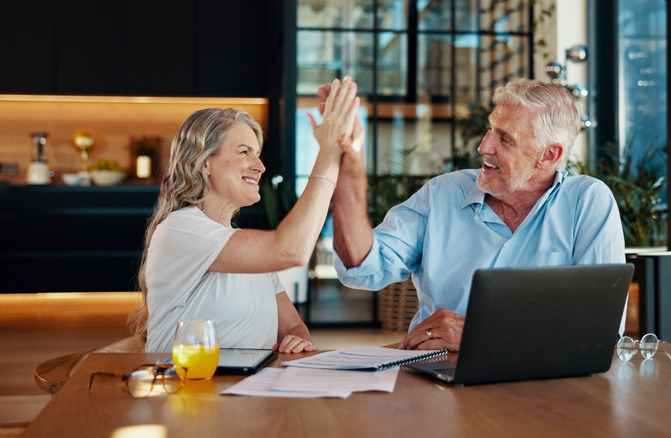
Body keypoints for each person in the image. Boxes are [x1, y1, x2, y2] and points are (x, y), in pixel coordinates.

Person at [327, 77, 626, 352]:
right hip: (437, 373)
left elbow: (601, 327)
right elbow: (362, 267)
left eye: (505, 139)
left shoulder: (586, 201)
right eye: (490, 129)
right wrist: (347, 171)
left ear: (549, 155)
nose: (484, 146)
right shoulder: (443, 194)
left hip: (544, 380)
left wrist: (479, 333)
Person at [129, 77, 362, 354]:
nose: (260, 166)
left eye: (258, 154)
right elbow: (293, 250)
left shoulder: (245, 250)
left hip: (248, 382)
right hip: (188, 381)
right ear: (205, 163)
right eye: (244, 152)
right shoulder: (180, 229)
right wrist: (330, 150)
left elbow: (293, 327)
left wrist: (298, 338)